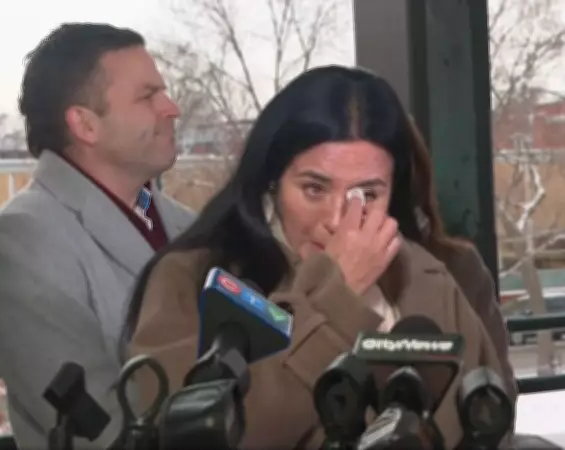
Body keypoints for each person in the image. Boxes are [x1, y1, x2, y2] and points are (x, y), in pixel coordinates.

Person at [124, 65, 516, 448]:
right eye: (314, 189)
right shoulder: (193, 278)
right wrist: (336, 294)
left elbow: (492, 421)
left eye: (367, 194)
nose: (337, 219)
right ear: (272, 182)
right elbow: (190, 432)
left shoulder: (435, 277)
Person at [0, 23, 194, 449]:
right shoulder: (19, 243)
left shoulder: (183, 222)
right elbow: (106, 431)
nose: (171, 108)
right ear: (85, 124)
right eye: (148, 96)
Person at [408, 125, 518, 406]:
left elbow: (498, 392)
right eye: (316, 190)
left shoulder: (460, 267)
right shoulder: (300, 279)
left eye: (372, 190)